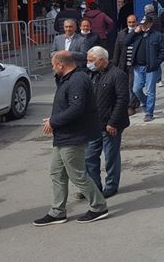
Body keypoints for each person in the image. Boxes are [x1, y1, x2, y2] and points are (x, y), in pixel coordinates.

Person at [34, 51, 108, 226]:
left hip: (74, 136)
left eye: (53, 65)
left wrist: (54, 121)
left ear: (61, 65)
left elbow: (77, 109)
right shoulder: (67, 78)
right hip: (63, 136)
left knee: (77, 175)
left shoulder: (77, 80)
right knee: (56, 172)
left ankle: (99, 206)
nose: (52, 68)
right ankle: (57, 212)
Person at [84, 47, 130, 199]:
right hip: (93, 125)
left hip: (111, 126)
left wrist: (113, 122)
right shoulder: (92, 75)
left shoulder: (117, 75)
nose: (88, 63)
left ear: (102, 60)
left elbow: (122, 100)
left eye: (91, 60)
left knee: (111, 157)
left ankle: (111, 186)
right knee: (89, 156)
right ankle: (94, 186)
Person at [125, 14, 164, 122]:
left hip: (151, 67)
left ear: (150, 24)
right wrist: (134, 32)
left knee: (150, 91)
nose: (143, 26)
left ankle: (149, 112)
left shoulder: (157, 35)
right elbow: (126, 42)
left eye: (145, 24)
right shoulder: (137, 34)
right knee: (136, 89)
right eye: (141, 24)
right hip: (138, 66)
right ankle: (145, 102)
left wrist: (157, 62)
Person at [112, 14, 140, 116]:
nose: (131, 24)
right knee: (125, 85)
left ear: (136, 22)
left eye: (133, 22)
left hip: (135, 64)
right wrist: (114, 65)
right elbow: (117, 50)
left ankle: (131, 105)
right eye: (129, 22)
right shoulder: (121, 34)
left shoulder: (140, 33)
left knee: (133, 85)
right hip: (123, 64)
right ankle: (134, 102)